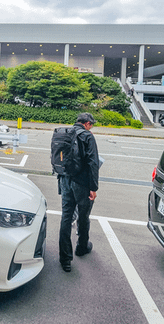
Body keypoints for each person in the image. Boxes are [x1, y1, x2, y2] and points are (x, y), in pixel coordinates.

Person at [59, 112, 100, 272]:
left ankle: (65, 259)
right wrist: (93, 188)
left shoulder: (66, 133)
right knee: (83, 216)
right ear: (87, 123)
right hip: (81, 183)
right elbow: (93, 163)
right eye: (92, 124)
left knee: (66, 217)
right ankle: (81, 247)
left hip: (64, 180)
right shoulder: (87, 136)